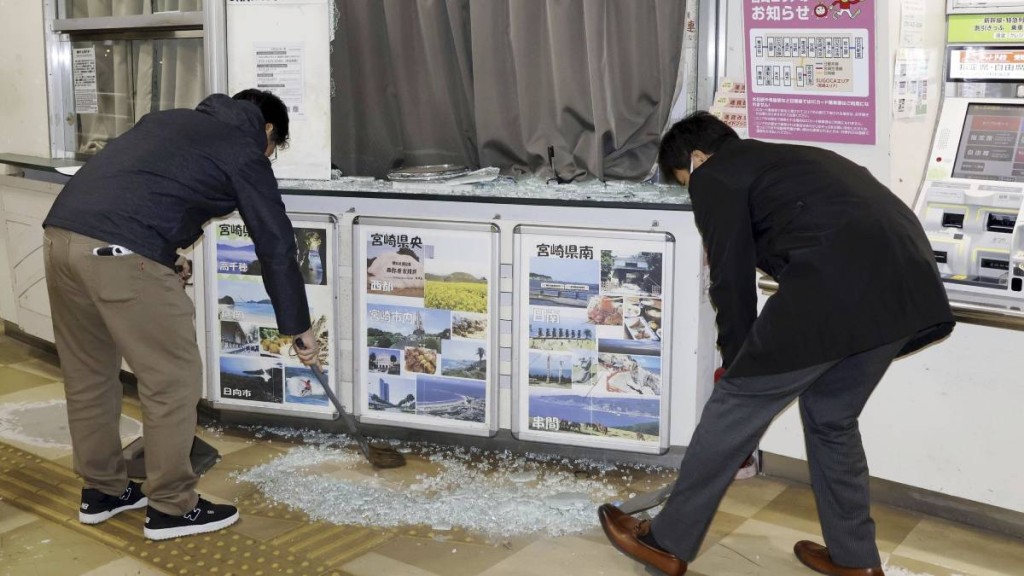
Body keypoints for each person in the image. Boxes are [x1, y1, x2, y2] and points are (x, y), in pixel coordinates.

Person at [598, 111, 954, 576]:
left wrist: (737, 365)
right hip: (908, 293)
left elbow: (730, 279)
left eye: (686, 181)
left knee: (732, 408)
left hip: (836, 289)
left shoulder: (715, 175)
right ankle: (854, 558)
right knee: (831, 418)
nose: (692, 190)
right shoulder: (793, 160)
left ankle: (665, 542)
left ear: (698, 158)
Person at [42, 89, 320, 541]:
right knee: (172, 380)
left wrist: (164, 255)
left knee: (89, 376)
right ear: (267, 129)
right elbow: (274, 243)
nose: (269, 156)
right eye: (274, 148)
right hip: (119, 254)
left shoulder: (166, 121)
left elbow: (142, 191)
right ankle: (172, 506)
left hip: (61, 241)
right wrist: (297, 325)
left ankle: (104, 491)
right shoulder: (243, 149)